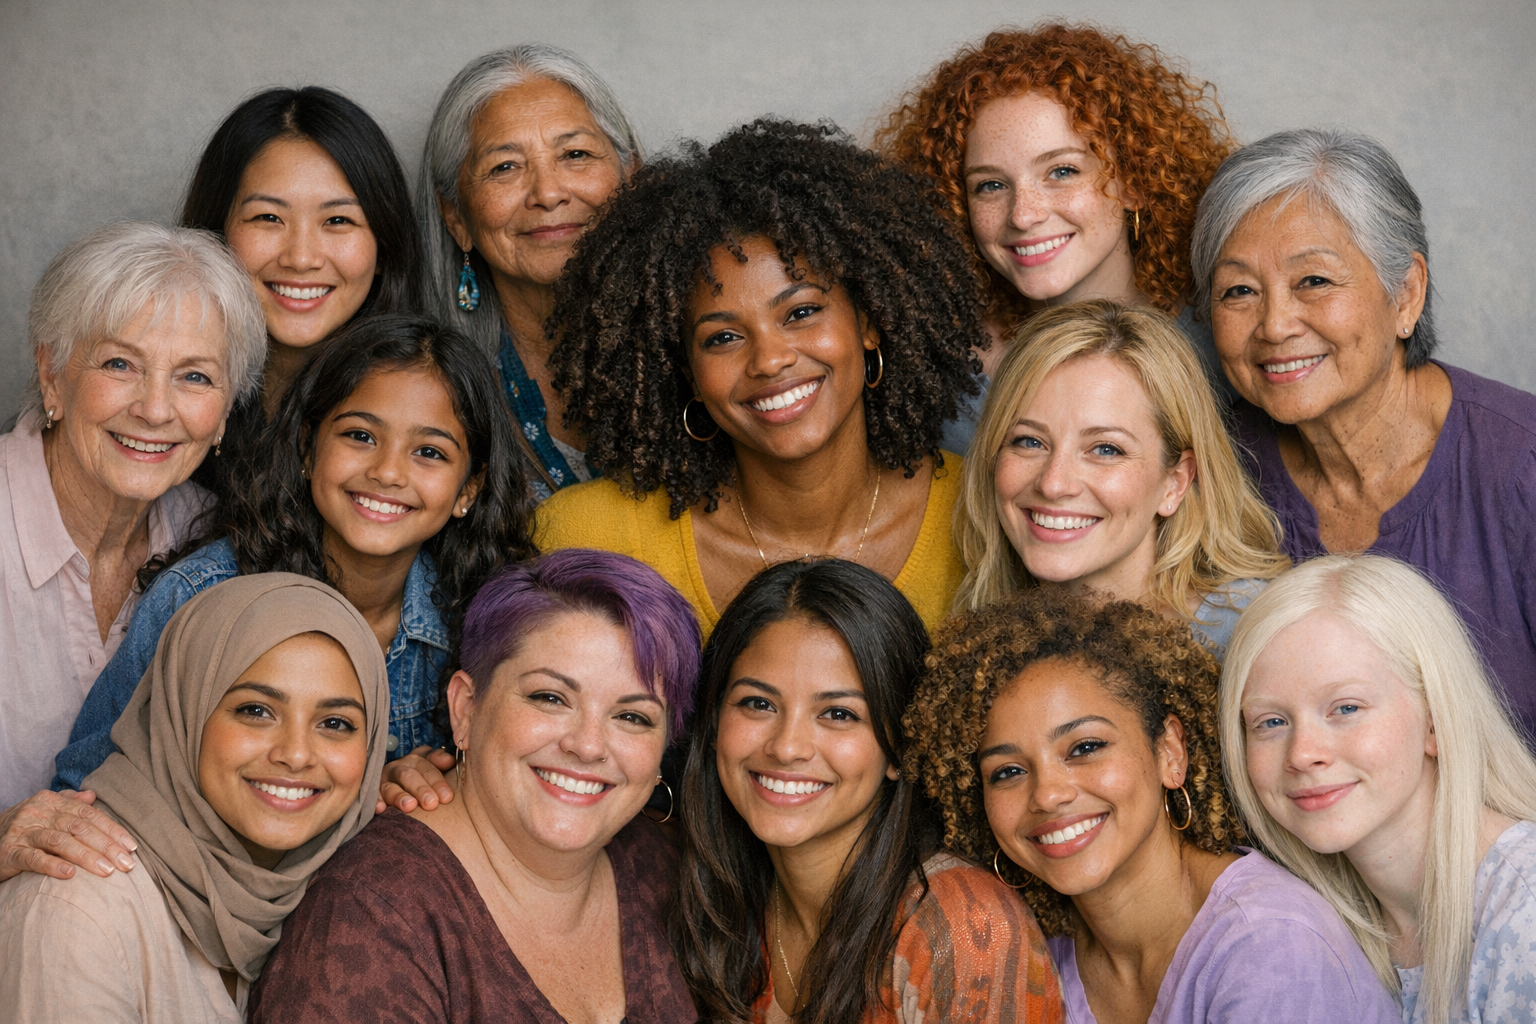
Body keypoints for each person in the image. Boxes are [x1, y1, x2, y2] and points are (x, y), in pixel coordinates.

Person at [48, 313, 534, 798]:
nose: (388, 472)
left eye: (429, 452)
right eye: (360, 436)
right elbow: (85, 787)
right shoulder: (201, 596)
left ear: (469, 488)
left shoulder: (483, 620)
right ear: (307, 448)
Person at [537, 120, 983, 640]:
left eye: (801, 313)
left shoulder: (982, 517)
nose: (769, 361)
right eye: (722, 338)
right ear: (686, 372)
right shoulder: (589, 540)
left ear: (869, 321)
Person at [905, 588, 1400, 1023]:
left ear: (1170, 753)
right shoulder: (1038, 951)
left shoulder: (1272, 945)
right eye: (1008, 772)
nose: (1048, 794)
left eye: (1085, 748)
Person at [247, 549, 700, 1023]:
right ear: (465, 708)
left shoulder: (666, 869)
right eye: (550, 697)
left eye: (632, 716)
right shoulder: (371, 913)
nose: (588, 746)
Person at [1190, 127, 1536, 740]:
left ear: (1406, 293)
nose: (1274, 325)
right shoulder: (1212, 469)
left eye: (1314, 282)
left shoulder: (1522, 466)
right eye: (1238, 291)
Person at [675, 558, 1064, 1023]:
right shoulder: (717, 903)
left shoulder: (964, 930)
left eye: (838, 714)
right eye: (758, 704)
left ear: (900, 748)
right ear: (715, 722)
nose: (787, 747)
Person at [0, 573, 391, 1023]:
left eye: (336, 723)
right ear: (182, 712)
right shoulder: (75, 912)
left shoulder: (332, 899)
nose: (296, 755)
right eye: (256, 711)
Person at [0, 221, 264, 817]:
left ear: (224, 412)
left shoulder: (225, 548)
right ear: (51, 372)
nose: (154, 408)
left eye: (195, 376)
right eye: (120, 364)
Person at [879, 23, 1237, 452]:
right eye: (990, 185)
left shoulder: (1226, 336)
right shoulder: (947, 380)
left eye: (1062, 171)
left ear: (1134, 182)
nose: (1024, 214)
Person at [1220, 554, 1536, 1024]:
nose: (1303, 753)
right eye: (1271, 721)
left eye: (1346, 708)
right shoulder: (1310, 925)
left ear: (1435, 720)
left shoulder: (1525, 914)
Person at [954, 300, 1287, 658]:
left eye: (1106, 449)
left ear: (1175, 482)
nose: (1053, 483)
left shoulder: (1258, 636)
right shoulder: (981, 636)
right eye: (1029, 441)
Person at [419, 44, 642, 497]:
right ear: (456, 217)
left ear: (631, 177)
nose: (548, 193)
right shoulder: (428, 389)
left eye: (576, 154)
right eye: (505, 167)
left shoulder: (707, 345)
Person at [180, 85, 424, 497]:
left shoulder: (432, 401)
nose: (301, 257)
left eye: (338, 221)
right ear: (214, 234)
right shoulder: (159, 403)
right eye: (268, 217)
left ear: (385, 247)